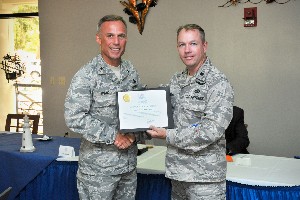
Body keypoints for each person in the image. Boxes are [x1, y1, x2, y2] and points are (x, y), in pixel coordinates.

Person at [64, 15, 148, 200]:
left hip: (128, 168)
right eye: (110, 36)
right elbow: (75, 117)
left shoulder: (130, 71)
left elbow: (137, 111)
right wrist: (114, 135)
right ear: (98, 38)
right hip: (98, 172)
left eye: (121, 36)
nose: (116, 42)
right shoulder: (86, 75)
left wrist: (135, 133)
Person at [147, 24, 234, 199]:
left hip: (204, 180)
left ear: (204, 46)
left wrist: (167, 135)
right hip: (178, 175)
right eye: (182, 45)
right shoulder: (177, 80)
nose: (187, 50)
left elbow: (211, 131)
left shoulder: (217, 82)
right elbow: (162, 113)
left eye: (193, 43)